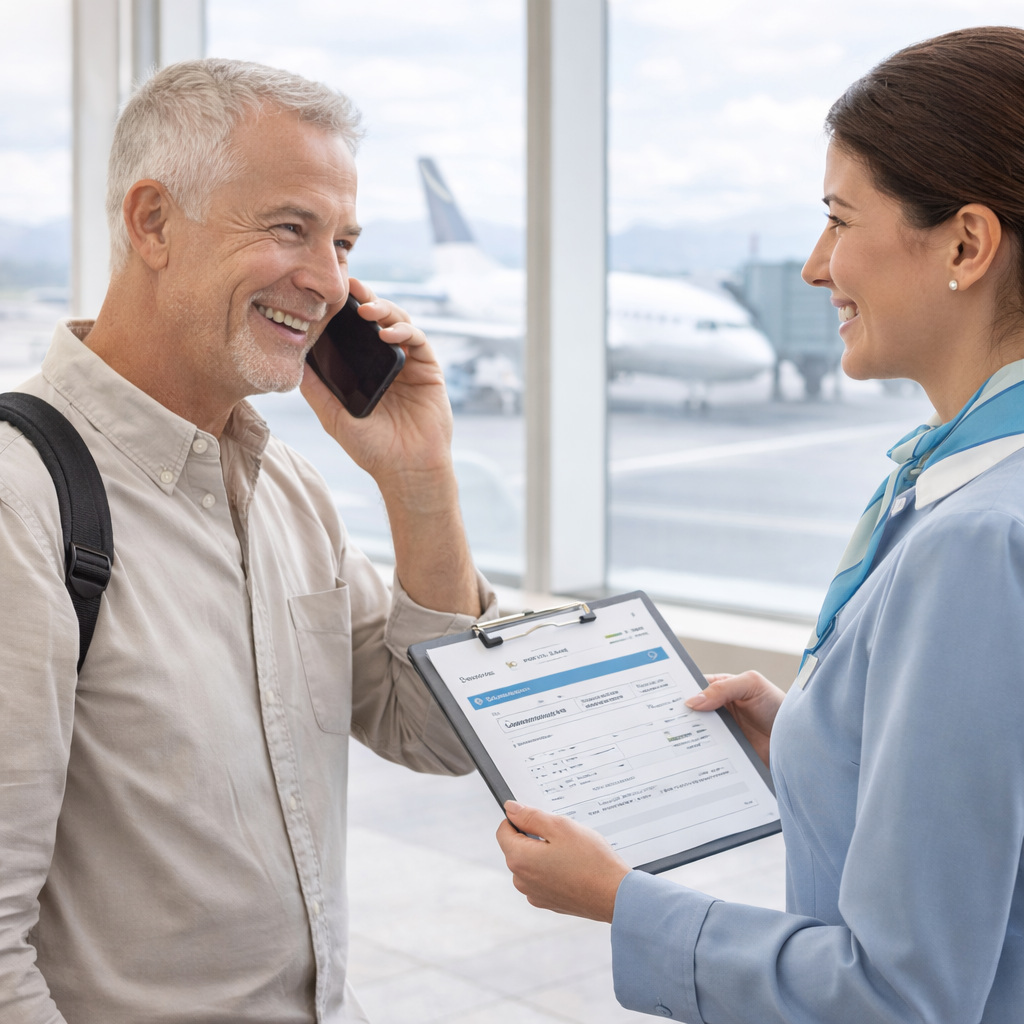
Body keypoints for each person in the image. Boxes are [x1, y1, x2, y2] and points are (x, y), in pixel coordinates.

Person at [497, 26, 1024, 1023]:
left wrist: (621, 902)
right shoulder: (972, 487)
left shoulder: (973, 543)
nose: (814, 267)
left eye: (837, 219)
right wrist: (818, 740)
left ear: (965, 243)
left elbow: (898, 995)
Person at [0, 60, 496, 1023]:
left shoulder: (285, 493)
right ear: (152, 222)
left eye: (344, 241)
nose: (328, 282)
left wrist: (421, 481)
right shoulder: (22, 504)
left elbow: (438, 734)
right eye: (289, 228)